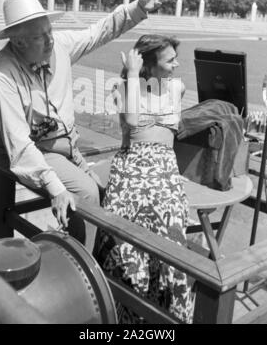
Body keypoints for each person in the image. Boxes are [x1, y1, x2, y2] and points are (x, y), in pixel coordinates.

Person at [0, 0, 173, 253]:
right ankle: (84, 273)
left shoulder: (57, 46)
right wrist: (56, 187)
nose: (50, 39)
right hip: (31, 149)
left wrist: (138, 6)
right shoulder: (0, 74)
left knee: (106, 189)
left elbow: (98, 32)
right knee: (86, 192)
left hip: (64, 145)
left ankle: (95, 254)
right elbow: (20, 145)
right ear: (18, 41)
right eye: (40, 36)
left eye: (50, 30)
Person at [97, 34, 193, 323]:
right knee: (122, 242)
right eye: (170, 60)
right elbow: (132, 121)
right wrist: (132, 74)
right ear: (149, 66)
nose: (177, 64)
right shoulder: (124, 88)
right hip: (131, 166)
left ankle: (167, 316)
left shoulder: (178, 87)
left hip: (164, 167)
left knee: (172, 239)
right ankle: (123, 316)